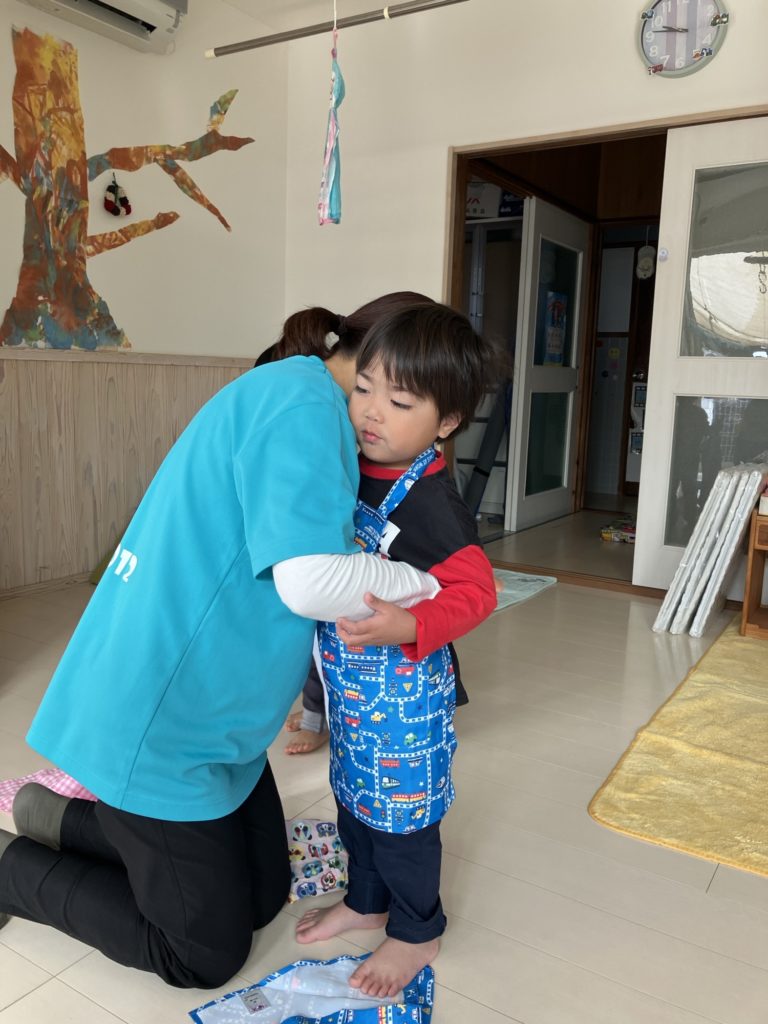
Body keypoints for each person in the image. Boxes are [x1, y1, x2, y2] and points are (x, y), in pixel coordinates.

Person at [0, 292, 474, 990]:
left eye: (402, 403)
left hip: (219, 719)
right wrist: (424, 588)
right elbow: (310, 581)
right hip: (165, 715)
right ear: (369, 360)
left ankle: (55, 817)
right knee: (203, 955)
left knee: (262, 895)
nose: (380, 413)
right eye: (380, 392)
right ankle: (10, 872)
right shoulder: (306, 409)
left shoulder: (310, 396)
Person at [293, 304, 499, 997]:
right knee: (354, 802)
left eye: (401, 401)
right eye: (363, 388)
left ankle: (416, 929)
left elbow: (477, 592)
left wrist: (411, 625)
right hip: (351, 690)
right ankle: (365, 901)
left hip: (404, 697)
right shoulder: (353, 464)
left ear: (446, 423)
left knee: (403, 820)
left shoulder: (433, 503)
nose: (371, 412)